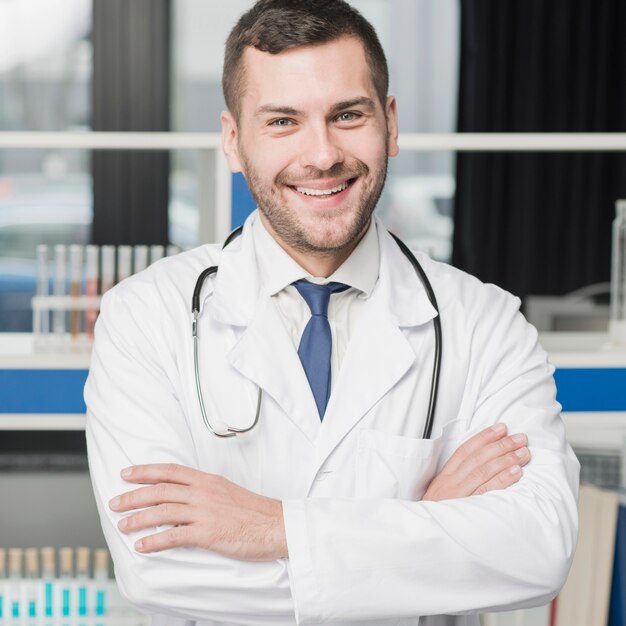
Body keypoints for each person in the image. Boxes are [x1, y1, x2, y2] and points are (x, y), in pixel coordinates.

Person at [85, 1, 579, 625]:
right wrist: (427, 522)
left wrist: (270, 525)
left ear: (390, 124)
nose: (321, 155)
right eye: (283, 121)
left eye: (348, 115)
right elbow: (156, 568)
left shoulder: (485, 323)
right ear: (234, 142)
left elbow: (537, 550)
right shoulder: (144, 318)